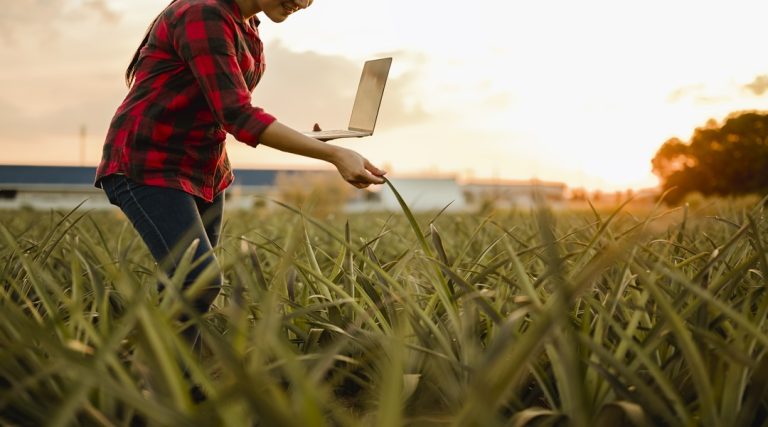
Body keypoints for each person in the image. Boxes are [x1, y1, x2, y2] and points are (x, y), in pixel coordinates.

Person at [94, 0, 386, 354]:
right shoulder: (203, 12)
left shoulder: (248, 26)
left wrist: (311, 141)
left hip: (203, 169)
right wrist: (334, 155)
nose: (303, 3)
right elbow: (237, 114)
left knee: (186, 286)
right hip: (148, 162)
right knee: (197, 280)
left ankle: (172, 383)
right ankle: (153, 382)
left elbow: (227, 109)